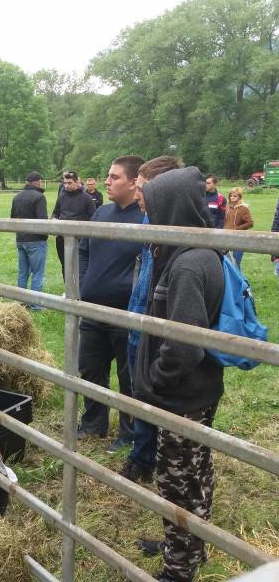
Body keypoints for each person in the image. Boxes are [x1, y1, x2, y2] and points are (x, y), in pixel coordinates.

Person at [135, 166, 224, 582]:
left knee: (178, 481)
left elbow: (184, 344)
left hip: (182, 394)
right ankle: (184, 545)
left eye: (153, 206)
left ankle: (179, 567)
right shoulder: (191, 250)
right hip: (194, 390)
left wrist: (157, 378)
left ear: (171, 207)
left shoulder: (188, 263)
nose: (148, 214)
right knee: (194, 472)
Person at [120, 155, 183, 484]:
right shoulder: (149, 221)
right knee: (140, 390)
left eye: (142, 188)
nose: (136, 194)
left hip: (162, 324)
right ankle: (143, 455)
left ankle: (155, 458)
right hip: (140, 319)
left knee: (158, 392)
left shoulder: (180, 227)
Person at [76, 155, 144, 453]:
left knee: (129, 377)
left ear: (133, 182)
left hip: (126, 312)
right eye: (108, 175)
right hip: (93, 309)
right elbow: (83, 250)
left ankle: (129, 434)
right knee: (90, 369)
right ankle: (93, 424)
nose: (107, 181)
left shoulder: (146, 218)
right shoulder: (101, 212)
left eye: (114, 177)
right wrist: (84, 282)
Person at [10, 171, 48, 308]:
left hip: (21, 239)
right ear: (37, 182)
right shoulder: (39, 197)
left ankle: (21, 302)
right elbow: (42, 221)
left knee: (23, 273)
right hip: (36, 240)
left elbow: (12, 218)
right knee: (38, 273)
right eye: (40, 181)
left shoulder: (17, 197)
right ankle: (36, 305)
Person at [51, 170, 95, 282]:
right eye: (65, 183)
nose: (66, 185)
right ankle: (67, 288)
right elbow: (55, 212)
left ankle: (80, 289)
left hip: (79, 239)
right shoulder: (62, 196)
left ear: (77, 182)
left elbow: (93, 217)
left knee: (79, 266)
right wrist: (54, 220)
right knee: (65, 265)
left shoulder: (86, 198)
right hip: (62, 238)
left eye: (69, 183)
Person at [223, 187, 253, 268]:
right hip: (225, 236)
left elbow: (250, 223)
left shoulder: (244, 208)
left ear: (239, 197)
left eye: (235, 196)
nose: (232, 197)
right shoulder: (226, 206)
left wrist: (237, 229)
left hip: (238, 238)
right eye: (231, 196)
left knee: (236, 263)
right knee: (225, 261)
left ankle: (239, 276)